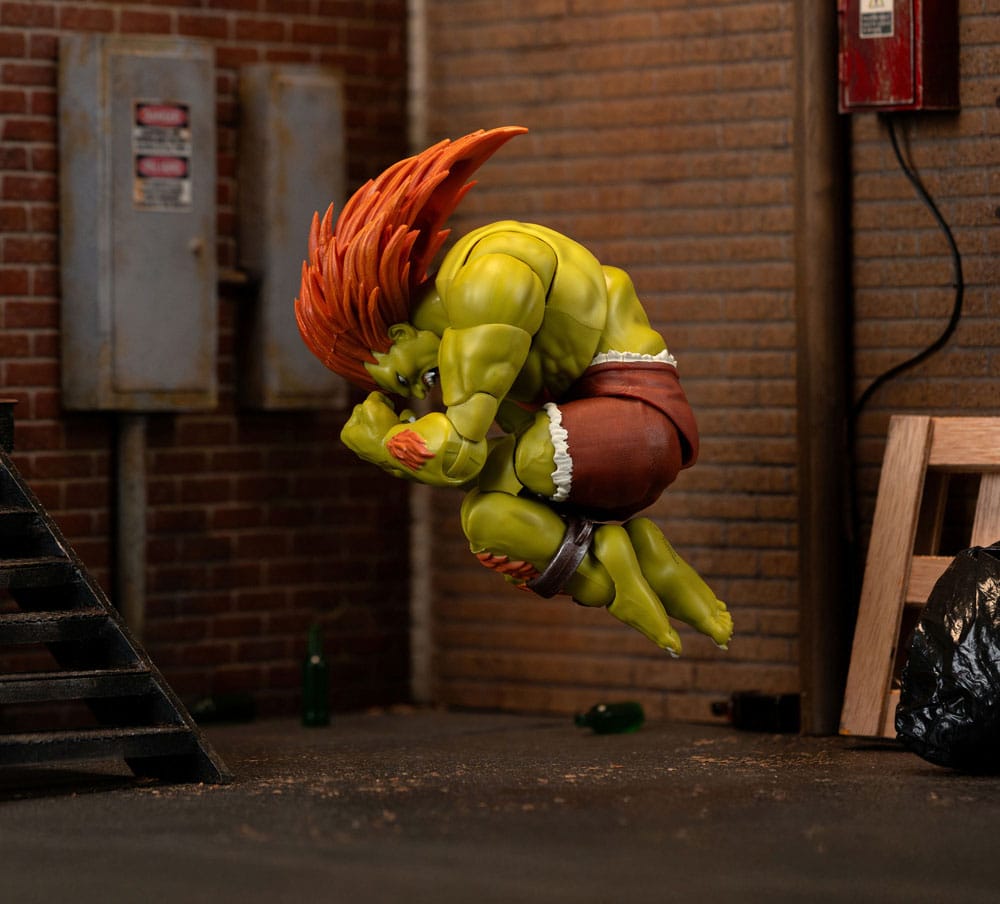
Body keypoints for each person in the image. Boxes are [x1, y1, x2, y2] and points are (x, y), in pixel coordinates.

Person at [295, 126, 732, 655]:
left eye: (407, 379)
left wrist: (382, 443)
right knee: (489, 519)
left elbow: (458, 455)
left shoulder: (483, 287)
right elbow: (482, 464)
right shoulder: (482, 334)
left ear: (401, 334)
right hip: (622, 432)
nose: (422, 391)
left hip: (630, 423)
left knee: (508, 478)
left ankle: (606, 581)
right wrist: (525, 540)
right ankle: (637, 554)